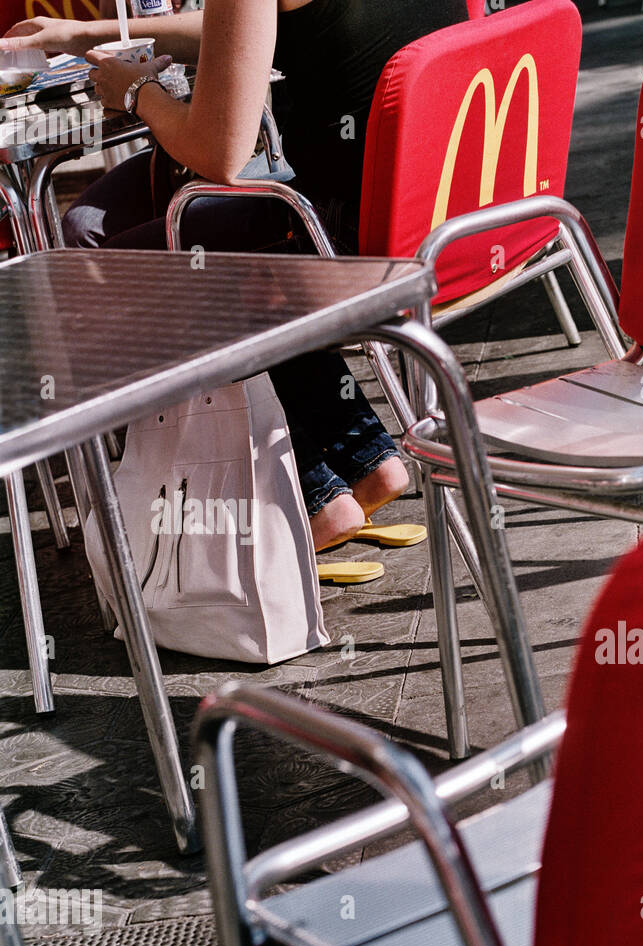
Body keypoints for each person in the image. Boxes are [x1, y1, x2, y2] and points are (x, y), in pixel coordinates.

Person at [0, 0, 468, 560]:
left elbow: (218, 152)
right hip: (453, 212)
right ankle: (363, 460)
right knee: (112, 226)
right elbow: (240, 27)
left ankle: (306, 502)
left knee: (115, 275)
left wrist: (136, 93)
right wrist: (86, 33)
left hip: (348, 238)